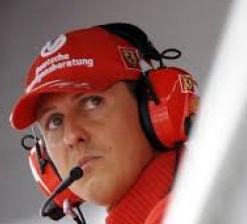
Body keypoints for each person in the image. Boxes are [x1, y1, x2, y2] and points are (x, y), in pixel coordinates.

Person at [10, 23, 199, 224]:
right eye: (55, 121)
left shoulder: (192, 211)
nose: (72, 135)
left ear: (152, 108)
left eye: (92, 102)